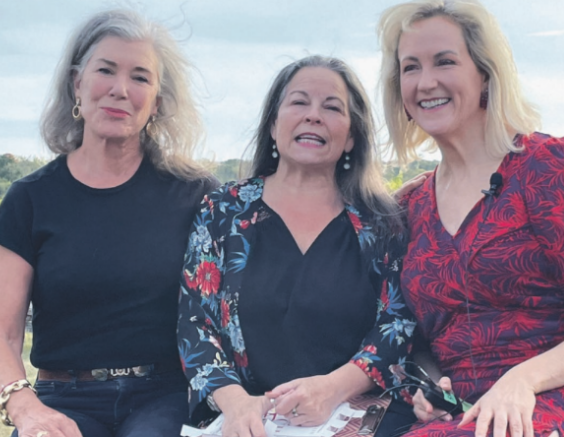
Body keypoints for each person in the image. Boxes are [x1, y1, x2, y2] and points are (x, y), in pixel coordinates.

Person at [377, 1, 564, 436]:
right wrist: (433, 387)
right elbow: (423, 339)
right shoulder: (412, 206)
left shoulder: (547, 166)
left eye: (445, 61)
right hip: (471, 411)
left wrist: (521, 381)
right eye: (410, 67)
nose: (426, 81)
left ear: (485, 73)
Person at [0, 9, 217, 437]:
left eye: (140, 77)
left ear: (157, 102)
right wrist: (27, 410)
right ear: (77, 83)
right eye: (105, 70)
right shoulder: (30, 200)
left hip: (167, 397)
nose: (120, 89)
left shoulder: (196, 195)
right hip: (63, 397)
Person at [177, 55, 417, 437]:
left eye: (332, 107)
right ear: (274, 125)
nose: (313, 116)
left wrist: (331, 389)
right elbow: (195, 323)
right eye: (299, 102)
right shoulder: (223, 210)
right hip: (247, 417)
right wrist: (236, 403)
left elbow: (397, 325)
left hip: (354, 417)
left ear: (351, 136)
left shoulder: (381, 223)